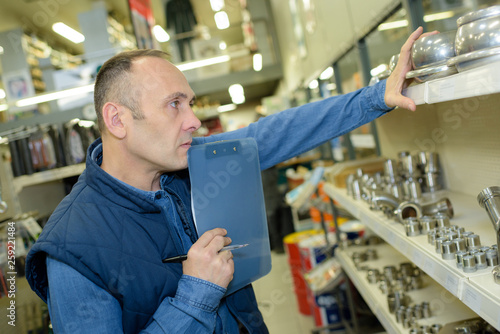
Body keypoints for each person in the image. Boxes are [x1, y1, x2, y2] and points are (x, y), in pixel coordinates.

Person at [26, 27, 432, 333]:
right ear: (117, 120)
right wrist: (195, 293)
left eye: (190, 103)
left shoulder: (194, 164)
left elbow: (276, 133)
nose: (194, 120)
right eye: (174, 105)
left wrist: (376, 97)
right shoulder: (71, 251)